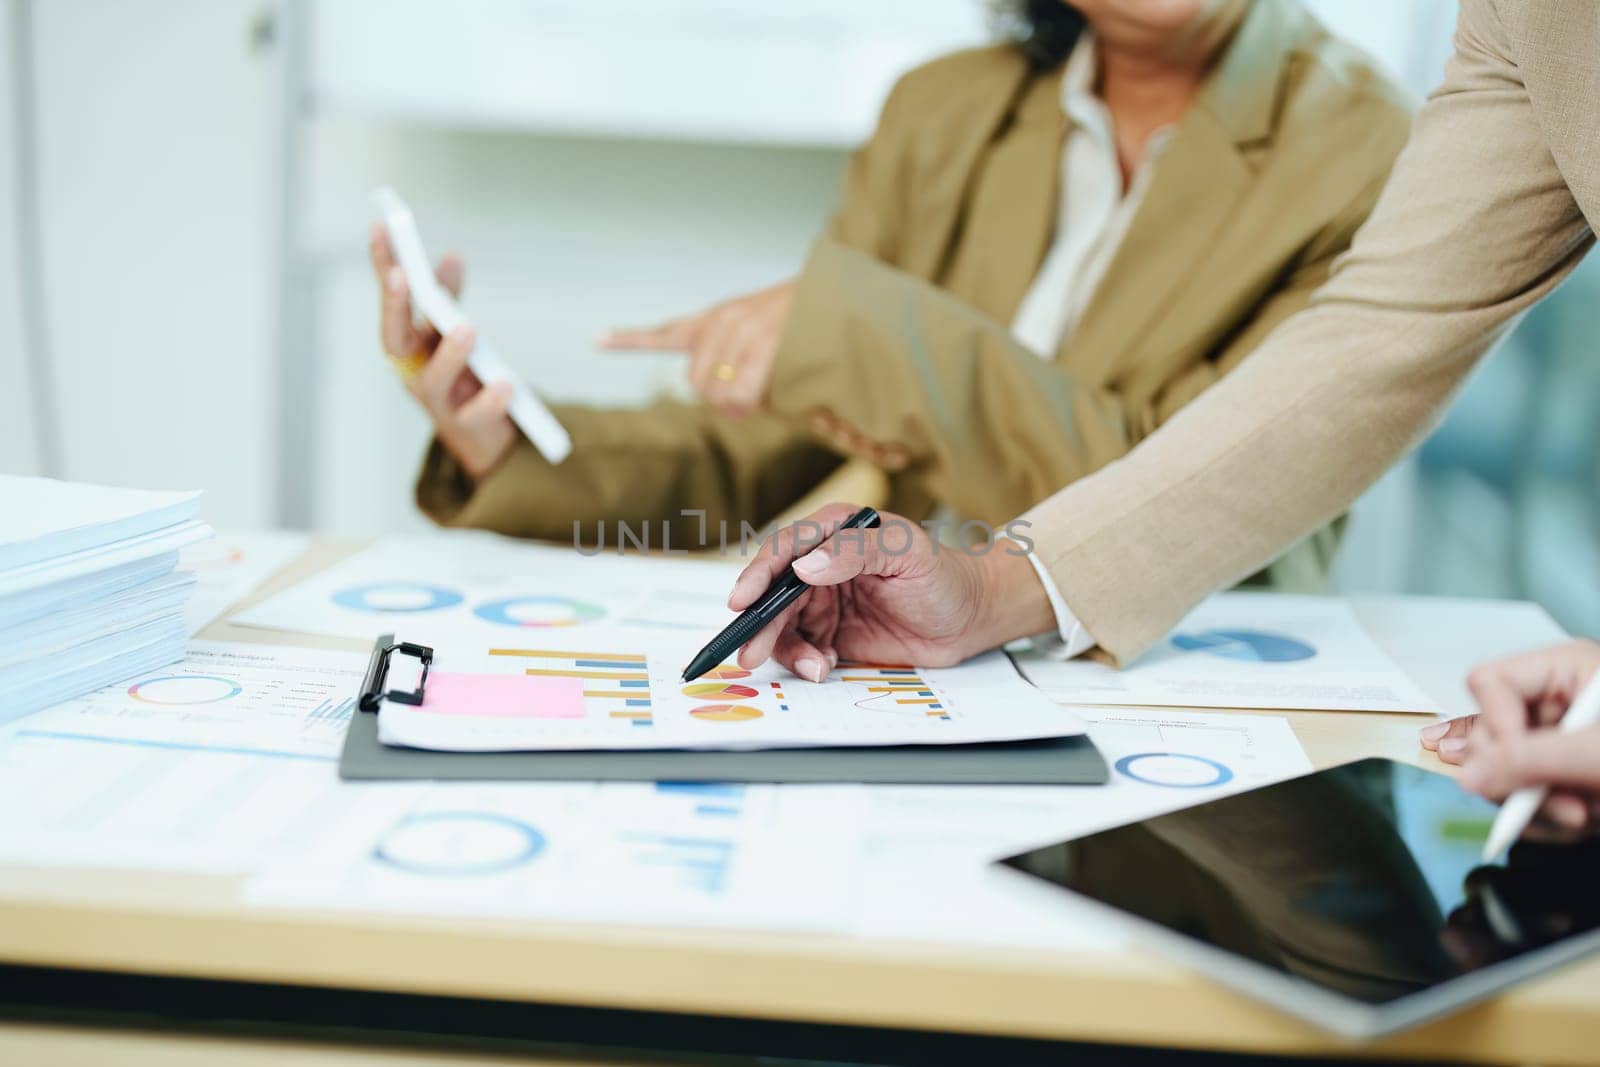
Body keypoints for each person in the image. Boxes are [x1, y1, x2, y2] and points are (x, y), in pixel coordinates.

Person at [723, 0, 1599, 815]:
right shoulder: (1525, 15)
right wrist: (990, 588)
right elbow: (1379, 342)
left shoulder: (1355, 126)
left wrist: (876, 338)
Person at [373, 0, 1410, 592]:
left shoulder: (1368, 148)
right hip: (903, 657)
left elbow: (1195, 504)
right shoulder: (942, 113)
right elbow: (761, 448)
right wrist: (510, 445)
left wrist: (864, 334)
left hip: (1172, 683)